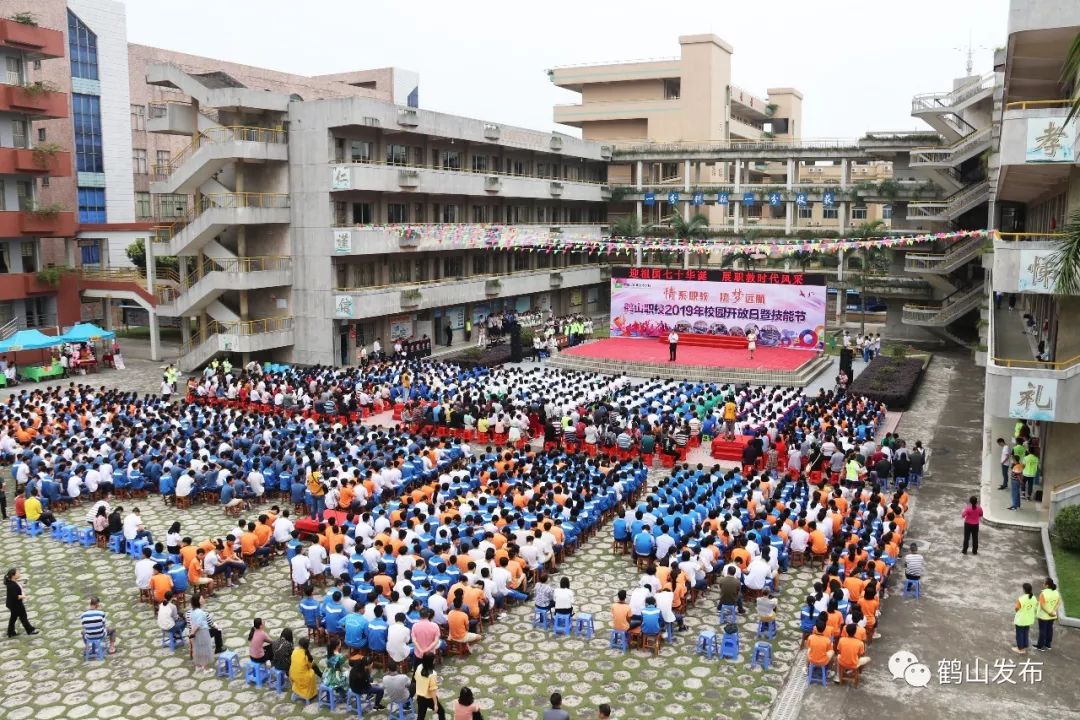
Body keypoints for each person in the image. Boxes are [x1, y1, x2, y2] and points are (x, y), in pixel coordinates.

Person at [4, 568, 37, 638]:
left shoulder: (11, 581)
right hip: (16, 605)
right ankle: (30, 630)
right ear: (13, 575)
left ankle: (11, 632)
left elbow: (17, 588)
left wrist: (24, 582)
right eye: (18, 573)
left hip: (12, 604)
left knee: (13, 618)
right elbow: (16, 596)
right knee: (23, 617)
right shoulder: (12, 586)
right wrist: (25, 597)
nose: (19, 574)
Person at [414, 653, 445, 720]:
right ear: (431, 661)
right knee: (441, 712)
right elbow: (433, 691)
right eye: (434, 660)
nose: (434, 661)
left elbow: (416, 678)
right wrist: (435, 704)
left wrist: (431, 681)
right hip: (429, 698)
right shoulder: (433, 674)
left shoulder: (419, 667)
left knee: (420, 717)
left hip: (420, 697)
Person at [188, 594, 214, 671]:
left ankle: (198, 666)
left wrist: (192, 633)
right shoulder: (200, 612)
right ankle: (205, 668)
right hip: (202, 632)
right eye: (201, 598)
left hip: (196, 633)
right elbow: (198, 625)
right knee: (205, 649)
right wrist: (192, 633)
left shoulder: (193, 611)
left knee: (198, 648)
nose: (203, 600)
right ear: (198, 601)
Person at [290, 636, 320, 701]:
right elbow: (310, 666)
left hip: (293, 675)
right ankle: (311, 694)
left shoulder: (294, 651)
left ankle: (297, 691)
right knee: (311, 672)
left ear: (299, 645)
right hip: (303, 679)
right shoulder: (305, 656)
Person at [1035, 577, 1060, 652]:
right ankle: (1048, 645)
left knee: (1042, 631)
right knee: (1049, 629)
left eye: (1044, 583)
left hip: (1043, 616)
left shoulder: (1043, 593)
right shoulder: (1056, 592)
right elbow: (1059, 603)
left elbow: (1042, 606)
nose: (1043, 584)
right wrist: (1053, 611)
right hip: (1052, 616)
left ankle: (1040, 646)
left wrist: (1049, 612)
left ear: (1047, 585)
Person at [1013, 582, 1038, 655]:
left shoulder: (1021, 599)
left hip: (1021, 619)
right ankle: (1025, 645)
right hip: (1029, 619)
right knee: (1025, 632)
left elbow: (1017, 608)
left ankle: (1020, 649)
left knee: (1019, 634)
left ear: (1024, 590)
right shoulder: (1033, 598)